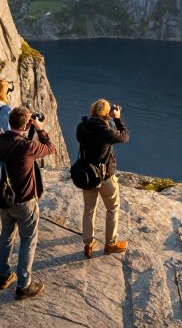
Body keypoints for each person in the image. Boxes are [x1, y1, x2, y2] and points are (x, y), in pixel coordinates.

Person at [0, 106, 56, 300]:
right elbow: (50, 148)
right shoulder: (27, 147)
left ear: (10, 122)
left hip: (4, 198)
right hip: (24, 201)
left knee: (6, 235)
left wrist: (29, 126)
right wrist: (39, 128)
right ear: (27, 125)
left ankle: (3, 276)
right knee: (28, 240)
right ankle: (24, 285)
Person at [76, 98, 129, 257]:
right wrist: (117, 119)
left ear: (92, 110)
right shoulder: (107, 132)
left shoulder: (82, 127)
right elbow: (124, 136)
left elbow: (88, 134)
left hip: (87, 175)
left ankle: (88, 244)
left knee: (89, 210)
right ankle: (110, 244)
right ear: (106, 114)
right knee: (112, 209)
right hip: (105, 177)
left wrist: (107, 120)